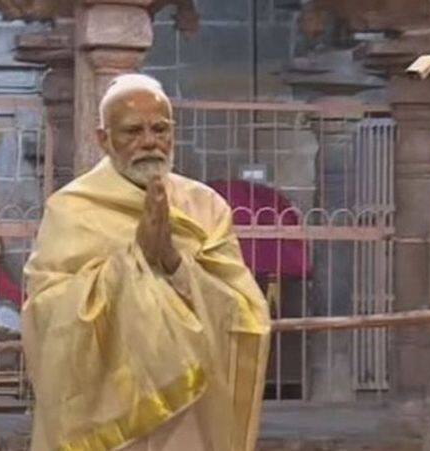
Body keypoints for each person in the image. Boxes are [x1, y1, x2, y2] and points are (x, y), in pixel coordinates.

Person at [21, 73, 271, 450]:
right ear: (103, 139)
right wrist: (132, 261)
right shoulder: (72, 209)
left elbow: (245, 310)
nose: (149, 142)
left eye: (160, 128)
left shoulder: (205, 207)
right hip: (109, 413)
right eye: (132, 131)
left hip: (189, 412)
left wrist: (172, 261)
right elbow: (46, 312)